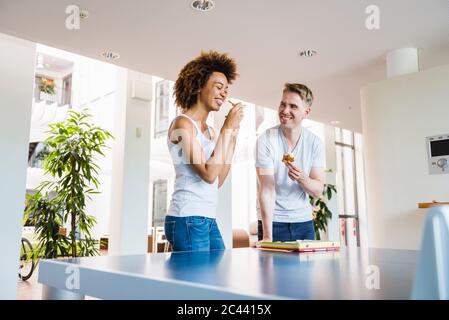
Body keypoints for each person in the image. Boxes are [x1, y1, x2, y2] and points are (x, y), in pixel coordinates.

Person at [164, 51, 244, 252]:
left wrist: (232, 135)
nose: (224, 93)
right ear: (199, 86)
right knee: (197, 281)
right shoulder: (182, 124)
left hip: (207, 218)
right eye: (218, 87)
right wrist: (227, 129)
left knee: (217, 275)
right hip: (187, 217)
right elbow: (208, 174)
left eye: (226, 89)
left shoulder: (212, 132)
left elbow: (218, 179)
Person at [255, 83, 325, 243]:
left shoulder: (315, 143)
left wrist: (302, 178)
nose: (285, 111)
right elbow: (266, 189)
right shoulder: (266, 140)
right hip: (273, 223)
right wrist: (267, 236)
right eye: (283, 104)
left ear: (306, 112)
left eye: (293, 106)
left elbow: (318, 190)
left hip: (304, 224)